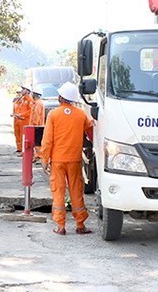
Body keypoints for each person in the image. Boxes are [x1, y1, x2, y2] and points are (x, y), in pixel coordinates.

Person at [40, 81, 94, 235]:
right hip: (75, 160)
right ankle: (80, 224)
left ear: (60, 97)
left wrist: (44, 160)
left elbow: (48, 140)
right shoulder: (81, 114)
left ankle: (61, 226)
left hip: (58, 160)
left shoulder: (53, 115)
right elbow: (90, 129)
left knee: (58, 191)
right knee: (76, 191)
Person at [12, 85, 33, 155]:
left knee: (23, 136)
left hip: (24, 120)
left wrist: (21, 115)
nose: (21, 91)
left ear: (27, 91)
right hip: (18, 120)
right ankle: (19, 148)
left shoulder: (29, 100)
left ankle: (23, 150)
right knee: (17, 134)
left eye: (23, 89)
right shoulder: (21, 99)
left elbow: (30, 111)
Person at [29, 89, 45, 162]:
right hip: (37, 125)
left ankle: (39, 156)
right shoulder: (37, 103)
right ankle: (38, 156)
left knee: (37, 143)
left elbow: (36, 115)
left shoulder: (38, 104)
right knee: (37, 143)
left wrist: (34, 125)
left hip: (37, 126)